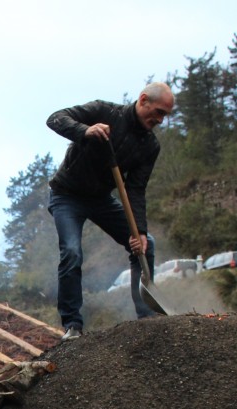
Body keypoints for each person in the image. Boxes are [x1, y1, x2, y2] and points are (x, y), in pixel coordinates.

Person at [46, 82, 177, 340]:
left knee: (145, 243)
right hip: (66, 195)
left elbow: (136, 189)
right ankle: (73, 325)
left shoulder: (150, 146)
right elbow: (54, 119)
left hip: (100, 199)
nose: (160, 120)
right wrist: (85, 130)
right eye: (159, 112)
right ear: (143, 100)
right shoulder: (104, 111)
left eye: (165, 115)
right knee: (72, 252)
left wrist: (138, 231)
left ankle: (145, 318)